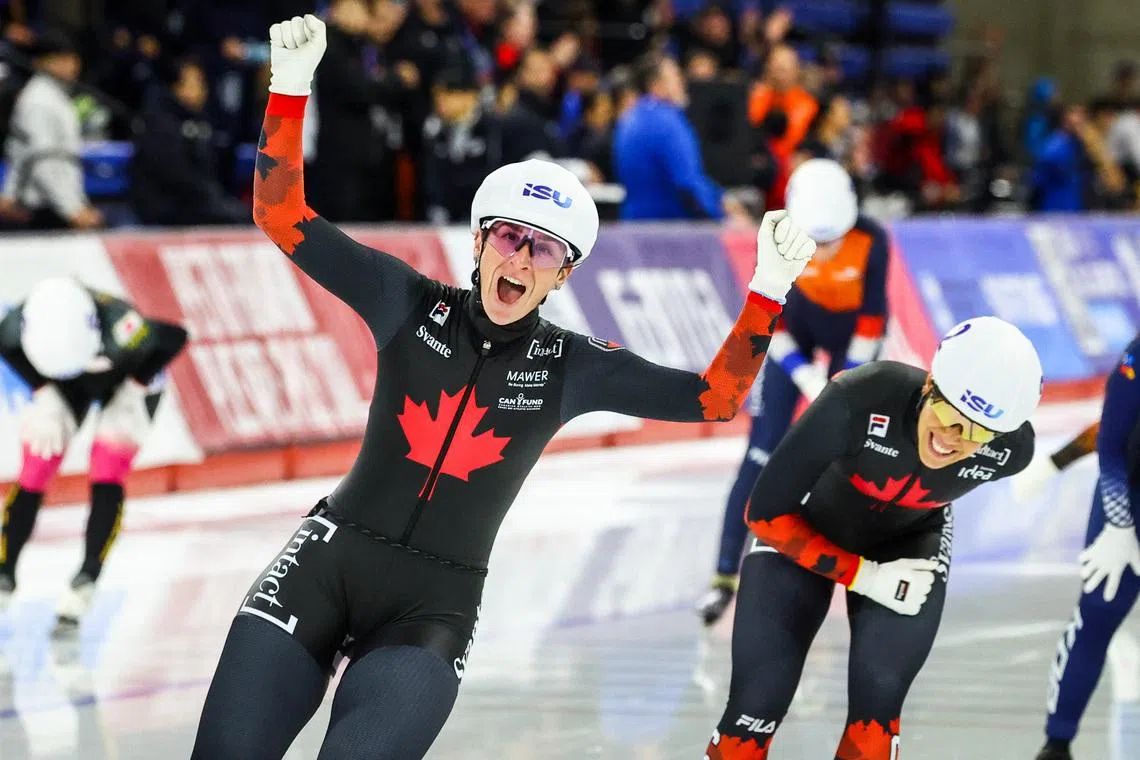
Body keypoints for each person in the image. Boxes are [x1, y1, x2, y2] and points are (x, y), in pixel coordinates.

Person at [189, 15, 818, 760]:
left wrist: (768, 290)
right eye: (508, 236)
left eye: (543, 248)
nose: (520, 258)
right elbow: (279, 213)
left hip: (431, 611)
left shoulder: (570, 365)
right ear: (480, 241)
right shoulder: (406, 301)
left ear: (564, 273)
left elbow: (715, 399)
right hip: (324, 565)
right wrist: (289, 89)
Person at [704, 316, 1041, 759]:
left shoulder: (1011, 452)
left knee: (876, 717)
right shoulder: (859, 398)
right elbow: (764, 513)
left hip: (907, 544)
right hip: (806, 526)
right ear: (929, 388)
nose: (953, 440)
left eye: (978, 432)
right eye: (948, 415)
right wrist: (864, 576)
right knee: (755, 707)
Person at [697, 158, 890, 625]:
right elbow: (770, 320)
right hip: (794, 337)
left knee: (857, 451)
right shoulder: (781, 234)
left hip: (853, 340)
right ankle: (724, 574)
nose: (822, 251)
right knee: (760, 453)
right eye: (816, 242)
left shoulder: (872, 240)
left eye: (832, 241)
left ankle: (861, 562)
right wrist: (804, 375)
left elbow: (872, 322)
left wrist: (845, 383)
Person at [0, 277, 188, 628]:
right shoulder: (17, 327)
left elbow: (175, 336)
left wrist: (137, 385)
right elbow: (6, 345)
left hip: (127, 381)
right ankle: (4, 572)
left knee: (107, 467)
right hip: (63, 387)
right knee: (38, 463)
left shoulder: (124, 328)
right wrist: (42, 392)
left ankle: (87, 577)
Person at [1016, 338, 1140, 760]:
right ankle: (1058, 742)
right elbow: (1112, 436)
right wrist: (1120, 524)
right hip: (1130, 495)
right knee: (1099, 612)